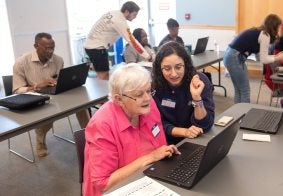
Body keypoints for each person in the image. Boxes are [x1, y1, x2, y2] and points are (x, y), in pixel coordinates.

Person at [83, 64, 180, 196]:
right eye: (139, 94)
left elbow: (159, 143)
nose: (147, 98)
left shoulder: (149, 106)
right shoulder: (102, 125)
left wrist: (165, 152)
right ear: (119, 99)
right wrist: (150, 157)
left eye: (148, 91)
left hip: (150, 176)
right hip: (119, 189)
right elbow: (103, 184)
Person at [12, 32, 90, 157]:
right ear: (36, 46)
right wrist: (37, 86)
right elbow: (16, 90)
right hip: (35, 99)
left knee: (82, 106)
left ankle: (90, 138)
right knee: (48, 114)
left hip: (55, 95)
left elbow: (60, 79)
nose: (50, 51)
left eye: (52, 47)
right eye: (46, 48)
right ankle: (40, 142)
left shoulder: (58, 60)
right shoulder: (21, 63)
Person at [152, 42, 215, 144]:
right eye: (167, 68)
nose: (173, 74)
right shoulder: (153, 87)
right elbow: (153, 125)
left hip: (195, 140)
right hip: (165, 142)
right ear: (160, 69)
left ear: (186, 64)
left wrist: (196, 98)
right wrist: (184, 132)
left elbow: (204, 125)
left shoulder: (199, 81)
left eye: (178, 67)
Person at [223, 14, 283, 103]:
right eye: (279, 26)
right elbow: (264, 60)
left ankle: (239, 113)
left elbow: (260, 57)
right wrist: (278, 58)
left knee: (239, 89)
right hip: (235, 58)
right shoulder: (265, 35)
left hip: (231, 56)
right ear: (274, 26)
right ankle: (244, 115)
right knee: (244, 90)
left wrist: (277, 56)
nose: (279, 29)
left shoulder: (260, 33)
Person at [84, 1, 151, 80]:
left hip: (91, 46)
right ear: (126, 12)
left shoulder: (113, 13)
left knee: (103, 74)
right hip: (97, 48)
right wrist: (147, 56)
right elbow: (132, 41)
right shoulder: (119, 21)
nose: (135, 17)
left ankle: (106, 90)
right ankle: (106, 92)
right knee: (104, 75)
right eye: (134, 14)